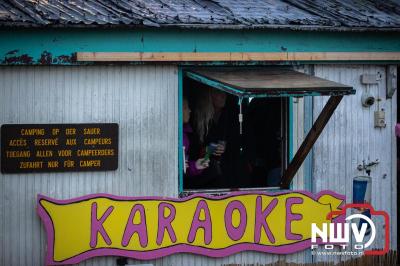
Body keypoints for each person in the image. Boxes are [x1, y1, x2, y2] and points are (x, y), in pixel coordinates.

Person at [183, 97, 209, 176]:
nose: (189, 111)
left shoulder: (187, 132)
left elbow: (185, 167)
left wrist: (196, 165)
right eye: (185, 108)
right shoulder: (170, 134)